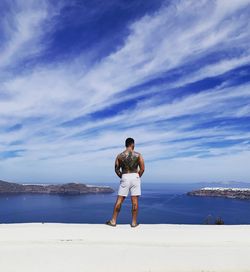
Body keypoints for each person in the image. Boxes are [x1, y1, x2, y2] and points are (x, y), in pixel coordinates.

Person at [105, 137, 145, 227]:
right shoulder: (138, 155)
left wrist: (122, 176)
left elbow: (116, 169)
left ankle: (113, 221)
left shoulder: (119, 156)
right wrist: (138, 176)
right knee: (135, 201)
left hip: (125, 176)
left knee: (119, 200)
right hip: (135, 176)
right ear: (133, 144)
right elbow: (142, 169)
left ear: (126, 144)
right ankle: (134, 223)